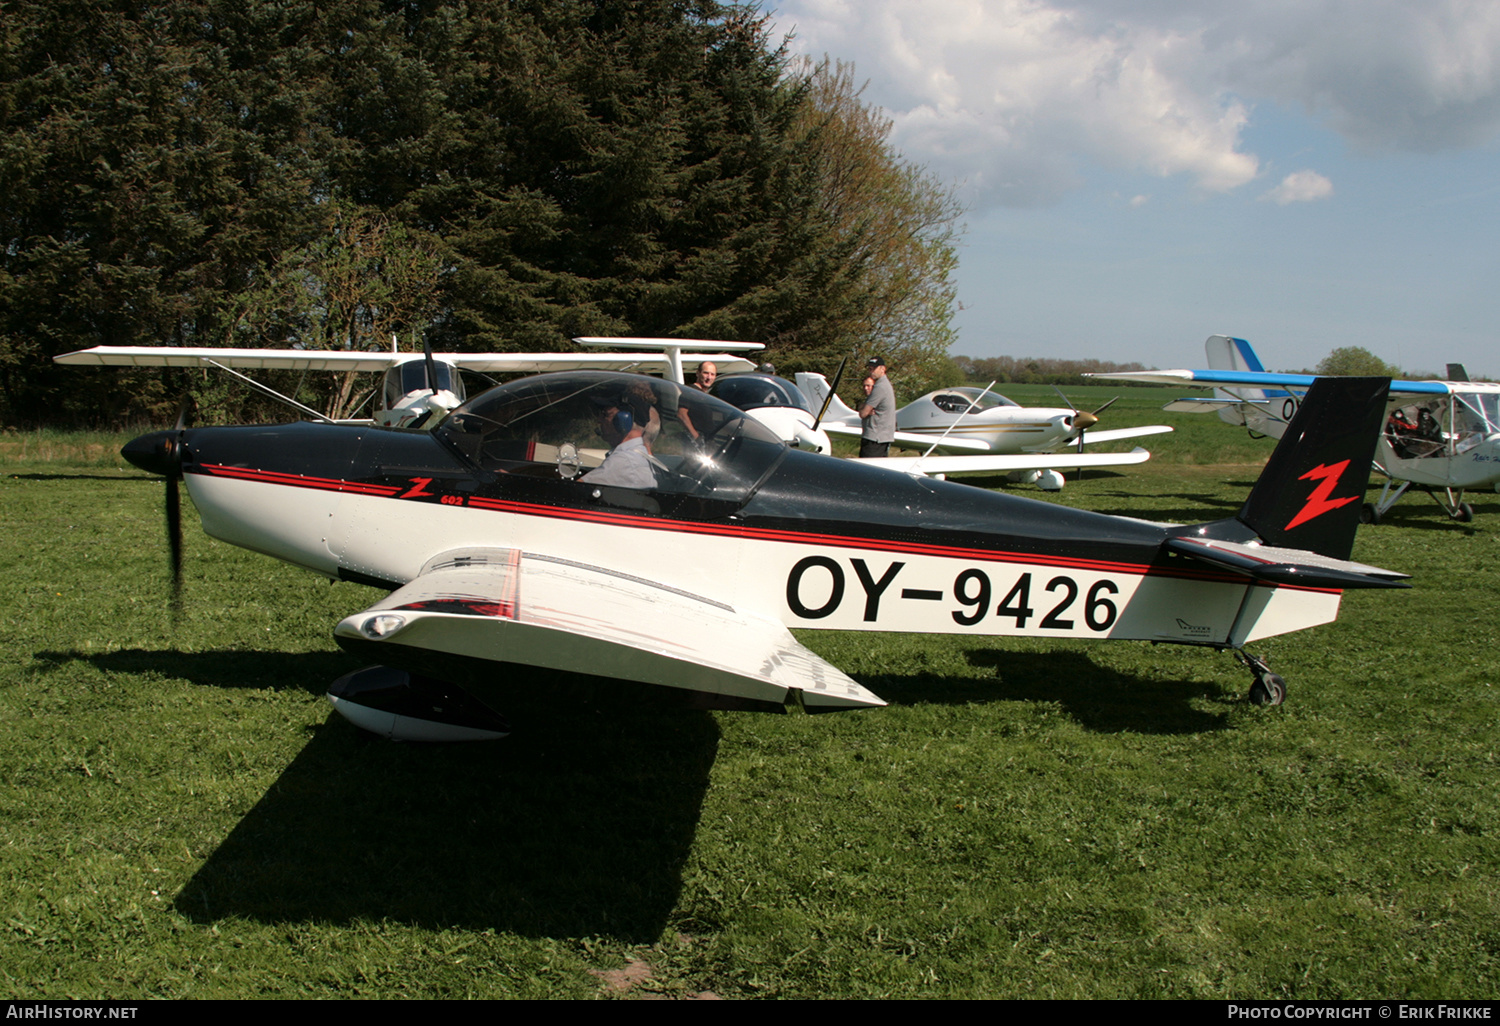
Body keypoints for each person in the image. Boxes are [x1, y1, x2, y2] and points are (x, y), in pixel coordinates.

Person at [581, 391, 657, 489]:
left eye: (606, 415)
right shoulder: (638, 456)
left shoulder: (624, 461)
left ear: (624, 421)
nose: (599, 420)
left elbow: (572, 490)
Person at [858, 357, 895, 458]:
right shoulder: (884, 385)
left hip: (874, 439)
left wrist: (863, 409)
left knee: (866, 471)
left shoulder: (880, 387)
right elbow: (865, 408)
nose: (871, 371)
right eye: (870, 368)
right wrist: (864, 407)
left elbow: (863, 413)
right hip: (881, 438)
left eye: (874, 368)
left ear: (883, 369)